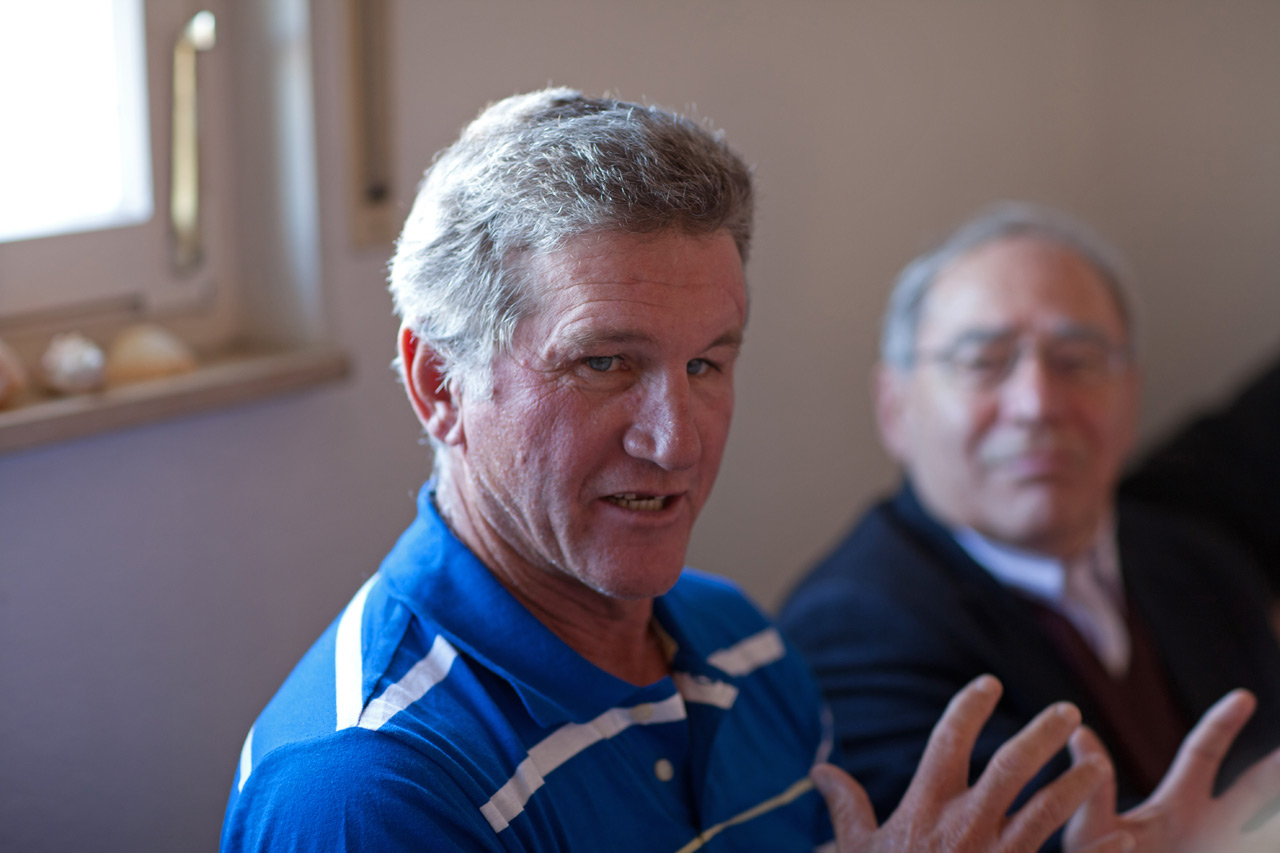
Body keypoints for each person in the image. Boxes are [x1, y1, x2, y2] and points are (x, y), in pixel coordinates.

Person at [219, 93, 1138, 852]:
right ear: (438, 385)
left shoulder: (744, 641)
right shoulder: (364, 786)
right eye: (604, 363)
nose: (677, 443)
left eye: (706, 363)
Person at [779, 202, 1280, 851]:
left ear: (1131, 391)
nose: (1038, 404)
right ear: (895, 407)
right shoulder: (850, 631)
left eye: (1077, 359)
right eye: (984, 361)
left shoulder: (1199, 563)